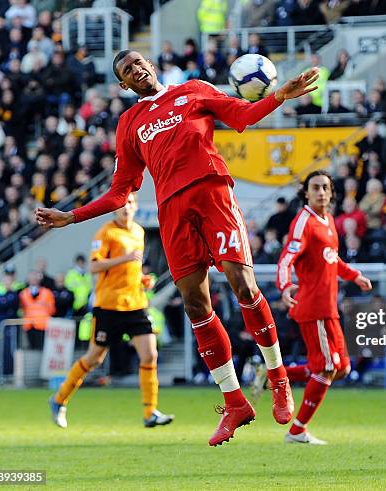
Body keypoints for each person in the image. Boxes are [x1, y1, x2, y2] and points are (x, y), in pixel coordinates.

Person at [35, 49, 319, 446]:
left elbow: (241, 115)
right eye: (126, 71)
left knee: (243, 284)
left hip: (213, 193)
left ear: (149, 64)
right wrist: (73, 215)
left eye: (137, 62)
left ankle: (278, 377)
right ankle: (235, 402)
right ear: (123, 85)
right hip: (171, 211)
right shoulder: (130, 124)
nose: (135, 69)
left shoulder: (194, 91)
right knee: (194, 304)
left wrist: (278, 96)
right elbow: (121, 192)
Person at [48, 193, 172, 429]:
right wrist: (124, 259)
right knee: (94, 358)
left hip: (135, 303)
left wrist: (143, 279)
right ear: (115, 208)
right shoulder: (105, 233)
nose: (126, 208)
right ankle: (58, 399)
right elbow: (94, 266)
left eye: (131, 204)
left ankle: (150, 412)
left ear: (136, 207)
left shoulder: (139, 232)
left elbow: (132, 269)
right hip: (108, 305)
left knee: (150, 354)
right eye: (123, 204)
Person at [276, 170, 372, 444]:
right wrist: (284, 286)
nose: (321, 192)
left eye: (325, 188)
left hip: (329, 308)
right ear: (305, 192)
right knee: (326, 368)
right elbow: (286, 259)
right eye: (315, 187)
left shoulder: (328, 220)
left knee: (341, 368)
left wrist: (354, 275)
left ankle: (277, 375)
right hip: (312, 307)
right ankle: (297, 431)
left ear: (331, 193)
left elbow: (332, 258)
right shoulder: (303, 222)